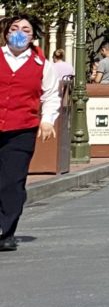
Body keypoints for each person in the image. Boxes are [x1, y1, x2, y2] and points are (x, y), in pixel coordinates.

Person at [0, 15, 60, 252]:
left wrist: (47, 120)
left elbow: (51, 95)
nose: (19, 33)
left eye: (25, 29)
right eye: (14, 28)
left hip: (21, 129)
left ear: (33, 36)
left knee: (12, 182)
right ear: (6, 33)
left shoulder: (43, 65)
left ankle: (6, 232)